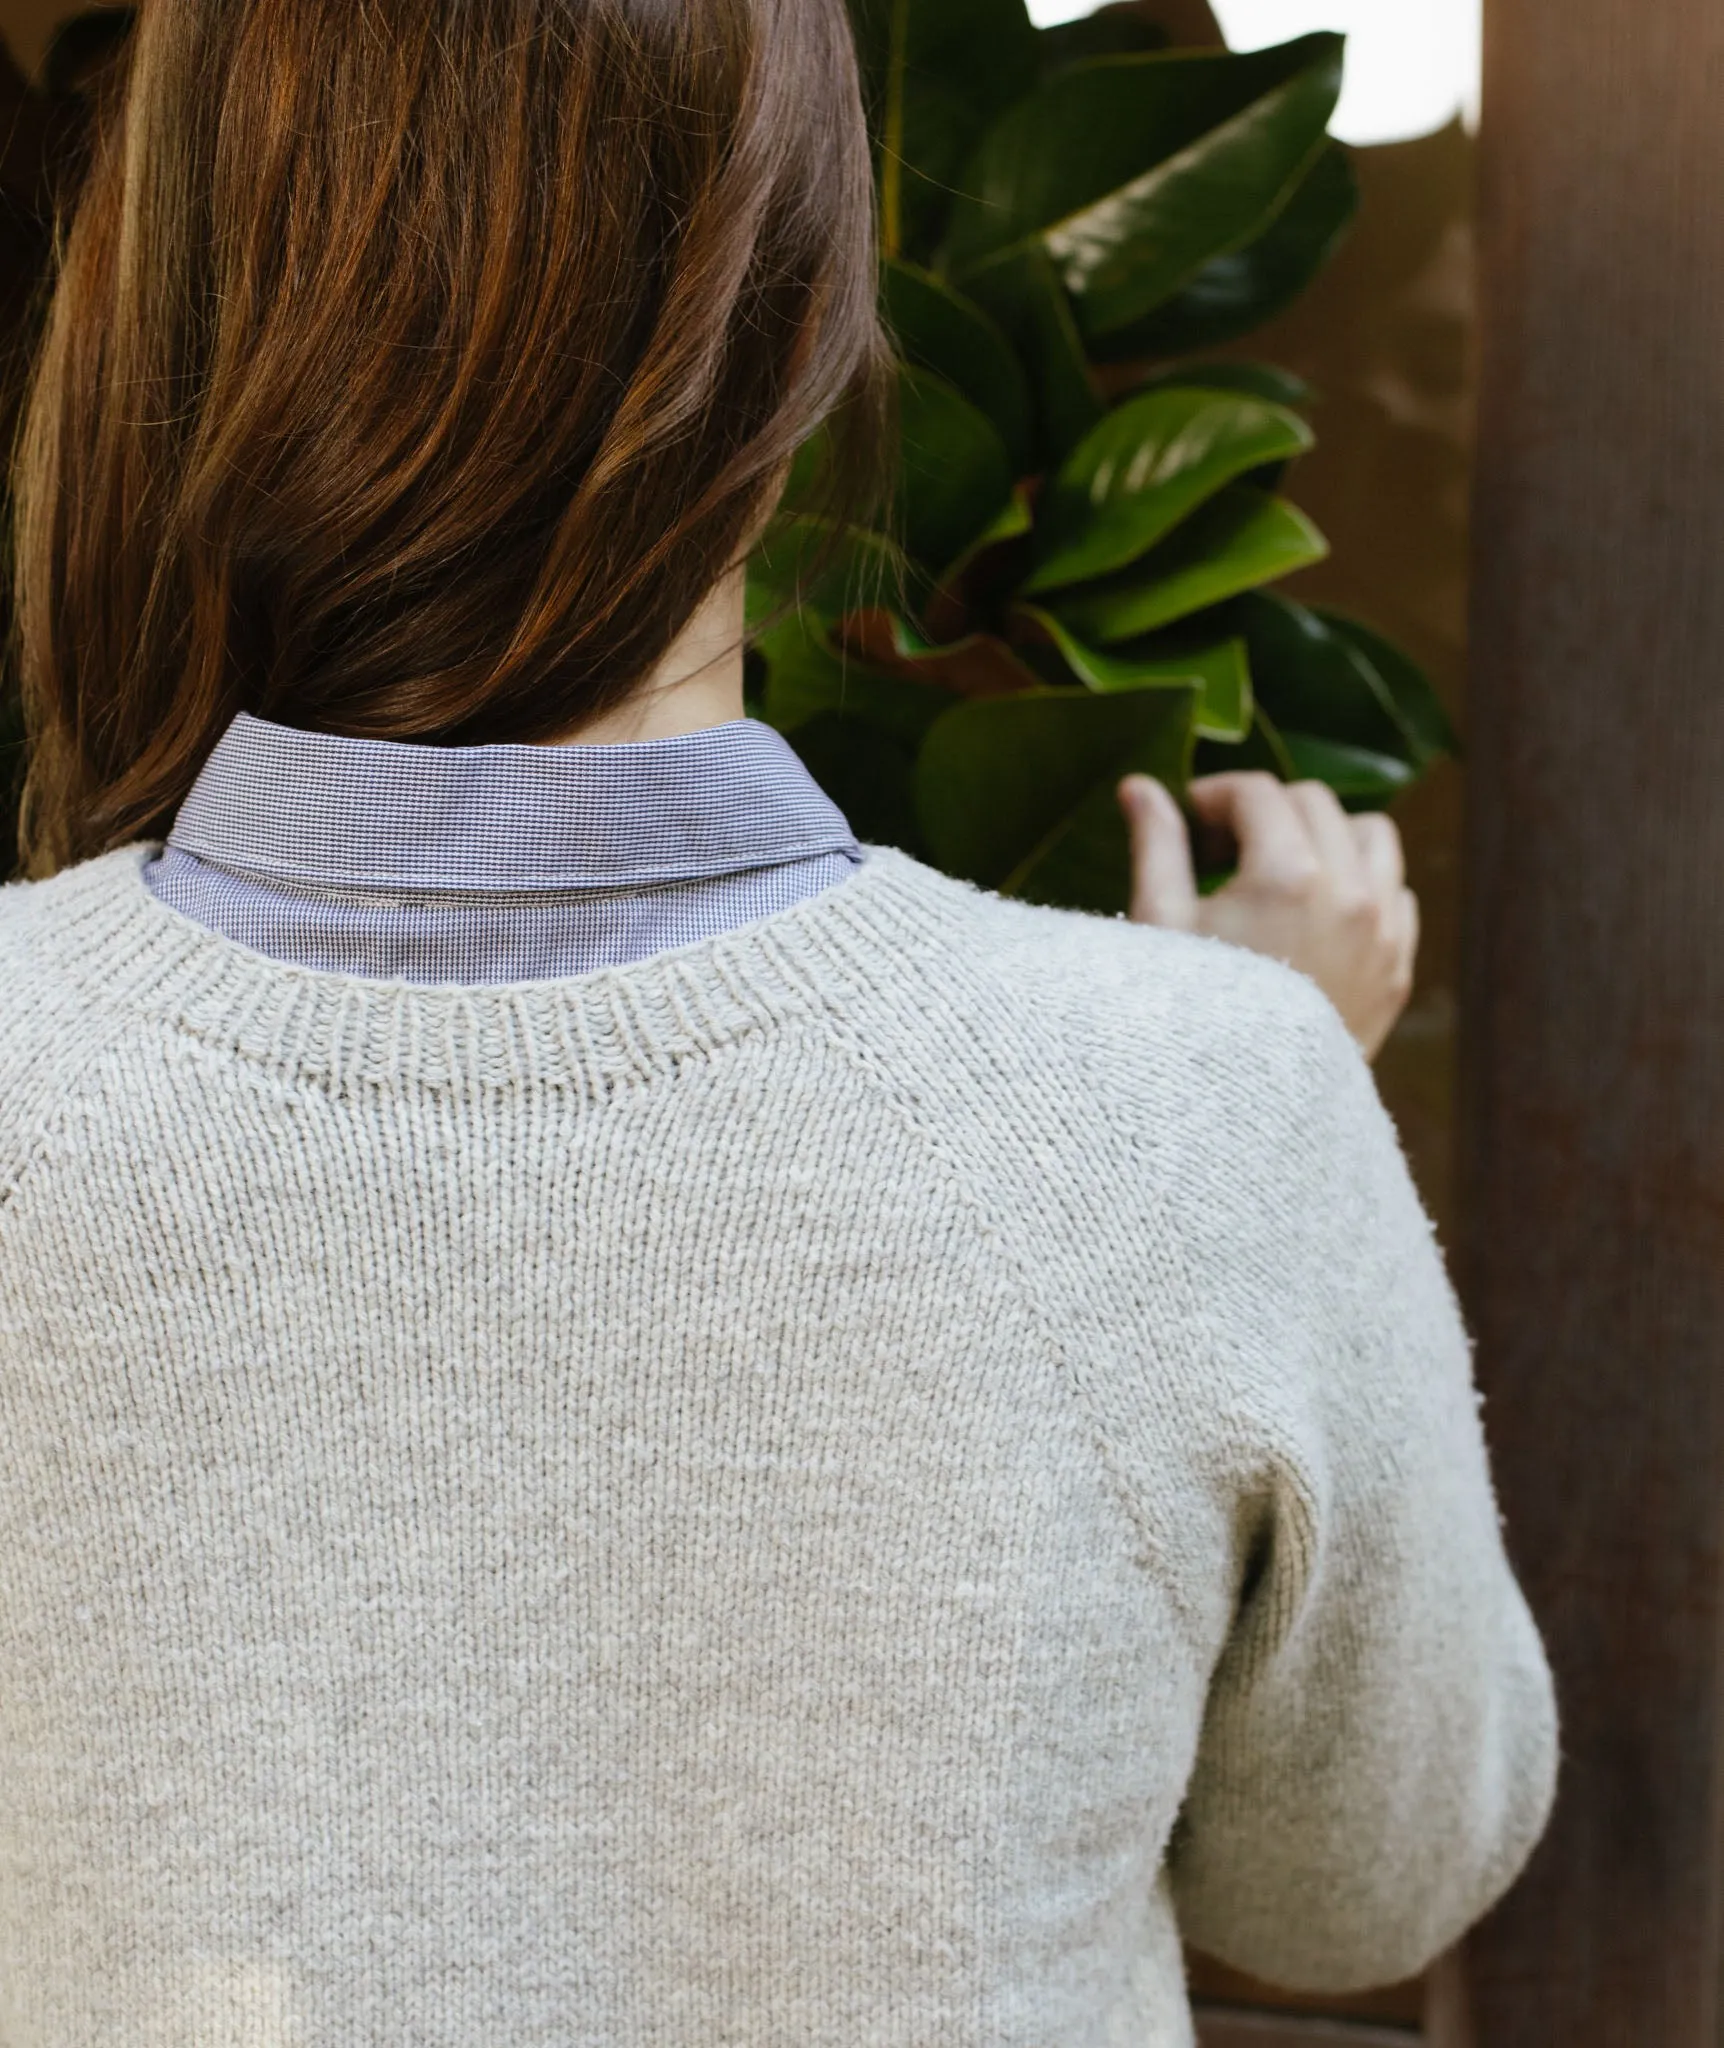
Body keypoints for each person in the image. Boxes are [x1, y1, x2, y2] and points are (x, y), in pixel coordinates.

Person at [0, 3, 1555, 2045]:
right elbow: (1371, 1877)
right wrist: (1246, 1113)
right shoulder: (1196, 1109)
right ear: (807, 325)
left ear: (165, 295)